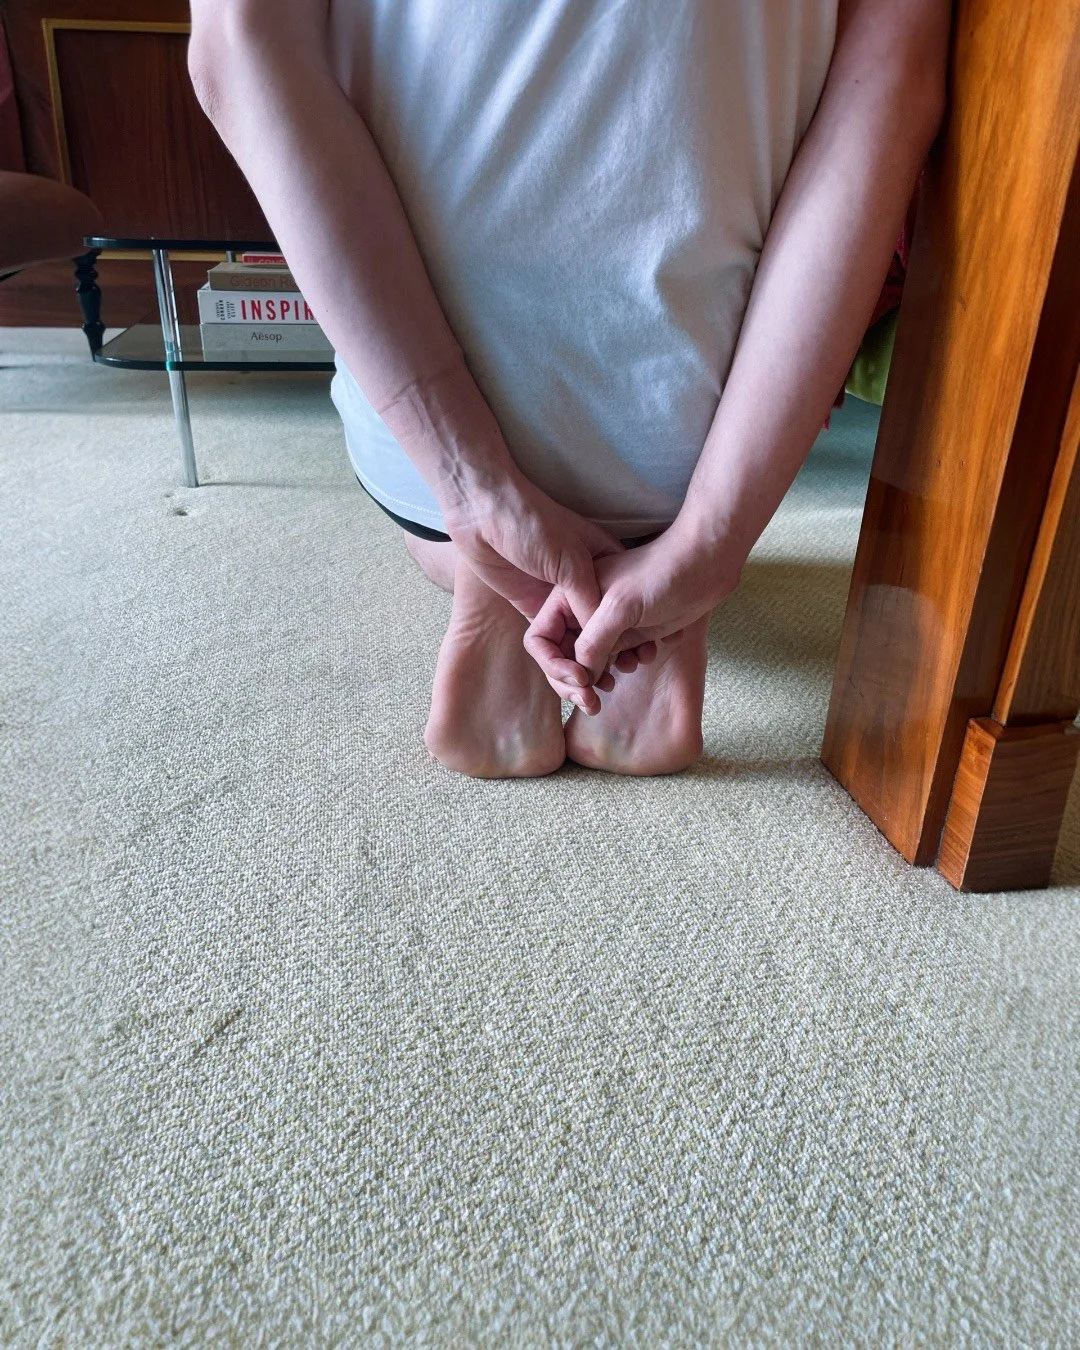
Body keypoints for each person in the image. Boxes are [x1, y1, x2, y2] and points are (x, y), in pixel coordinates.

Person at [188, 0, 949, 778]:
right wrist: (715, 539)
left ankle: (496, 568)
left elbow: (236, 48)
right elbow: (892, 86)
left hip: (421, 438)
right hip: (705, 426)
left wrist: (473, 485)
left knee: (431, 542)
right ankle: (647, 587)